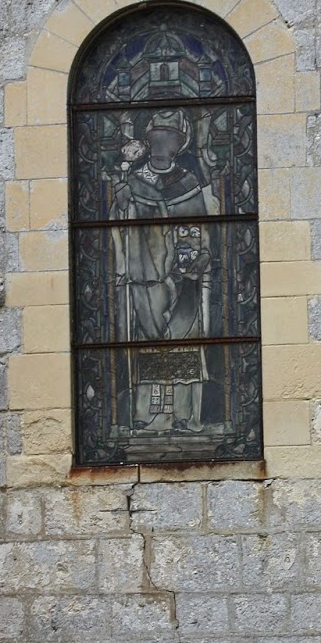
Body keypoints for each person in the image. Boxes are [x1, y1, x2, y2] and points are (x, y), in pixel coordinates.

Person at [108, 108, 217, 432]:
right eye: (157, 137)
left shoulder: (188, 182)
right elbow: (120, 225)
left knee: (183, 339)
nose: (162, 144)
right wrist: (124, 202)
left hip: (184, 278)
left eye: (170, 138)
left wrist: (198, 258)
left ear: (179, 145)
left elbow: (201, 228)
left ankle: (184, 415)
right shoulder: (135, 182)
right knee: (147, 339)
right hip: (145, 275)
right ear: (147, 140)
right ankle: (147, 416)